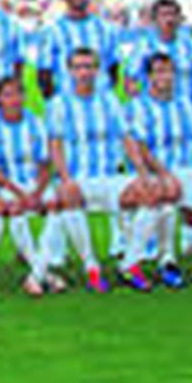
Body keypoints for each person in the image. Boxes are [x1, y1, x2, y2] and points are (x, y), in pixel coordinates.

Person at [42, 47, 129, 294]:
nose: (84, 72)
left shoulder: (110, 101)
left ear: (97, 70)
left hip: (108, 177)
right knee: (68, 198)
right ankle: (91, 264)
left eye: (89, 66)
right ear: (69, 72)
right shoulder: (58, 105)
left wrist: (142, 174)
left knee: (153, 195)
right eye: (78, 67)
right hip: (76, 178)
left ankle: (132, 262)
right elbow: (55, 145)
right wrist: (66, 178)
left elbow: (126, 137)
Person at [121, 53, 192, 291]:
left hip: (184, 170)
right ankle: (166, 259)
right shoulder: (138, 107)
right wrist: (163, 173)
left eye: (169, 71)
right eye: (159, 72)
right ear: (148, 78)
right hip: (156, 173)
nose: (165, 77)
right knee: (165, 195)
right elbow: (139, 146)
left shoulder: (185, 104)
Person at [0, 75, 56, 298]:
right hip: (7, 186)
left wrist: (37, 192)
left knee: (60, 207)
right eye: (8, 95)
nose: (15, 100)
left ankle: (38, 272)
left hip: (33, 184)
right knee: (7, 212)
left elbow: (45, 162)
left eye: (19, 93)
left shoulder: (35, 122)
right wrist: (21, 194)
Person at [36, 0, 120, 100]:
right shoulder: (52, 31)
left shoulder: (105, 28)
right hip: (68, 103)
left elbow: (113, 67)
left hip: (101, 103)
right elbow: (44, 73)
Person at [126, 0, 192, 101]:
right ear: (155, 20)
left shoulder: (190, 46)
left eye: (173, 14)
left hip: (186, 113)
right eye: (164, 15)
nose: (169, 19)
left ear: (179, 19)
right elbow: (130, 81)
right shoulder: (144, 46)